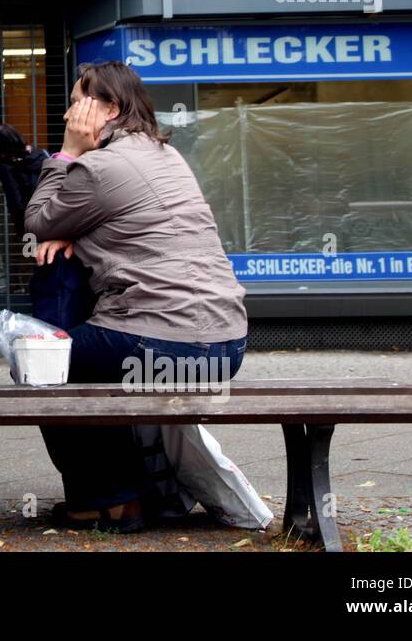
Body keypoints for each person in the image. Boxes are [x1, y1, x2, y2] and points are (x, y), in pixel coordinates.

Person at [24, 61, 248, 533]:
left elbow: (40, 220)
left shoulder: (99, 165)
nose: (68, 114)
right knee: (87, 361)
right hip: (226, 347)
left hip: (165, 343)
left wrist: (65, 154)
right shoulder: (165, 154)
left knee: (44, 367)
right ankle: (131, 492)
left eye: (76, 102)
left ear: (109, 108)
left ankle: (106, 501)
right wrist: (77, 233)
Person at [0, 122, 49, 242]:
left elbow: (16, 203)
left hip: (29, 225)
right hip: (51, 217)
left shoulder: (7, 168)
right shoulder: (41, 155)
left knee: (33, 255)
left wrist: (21, 230)